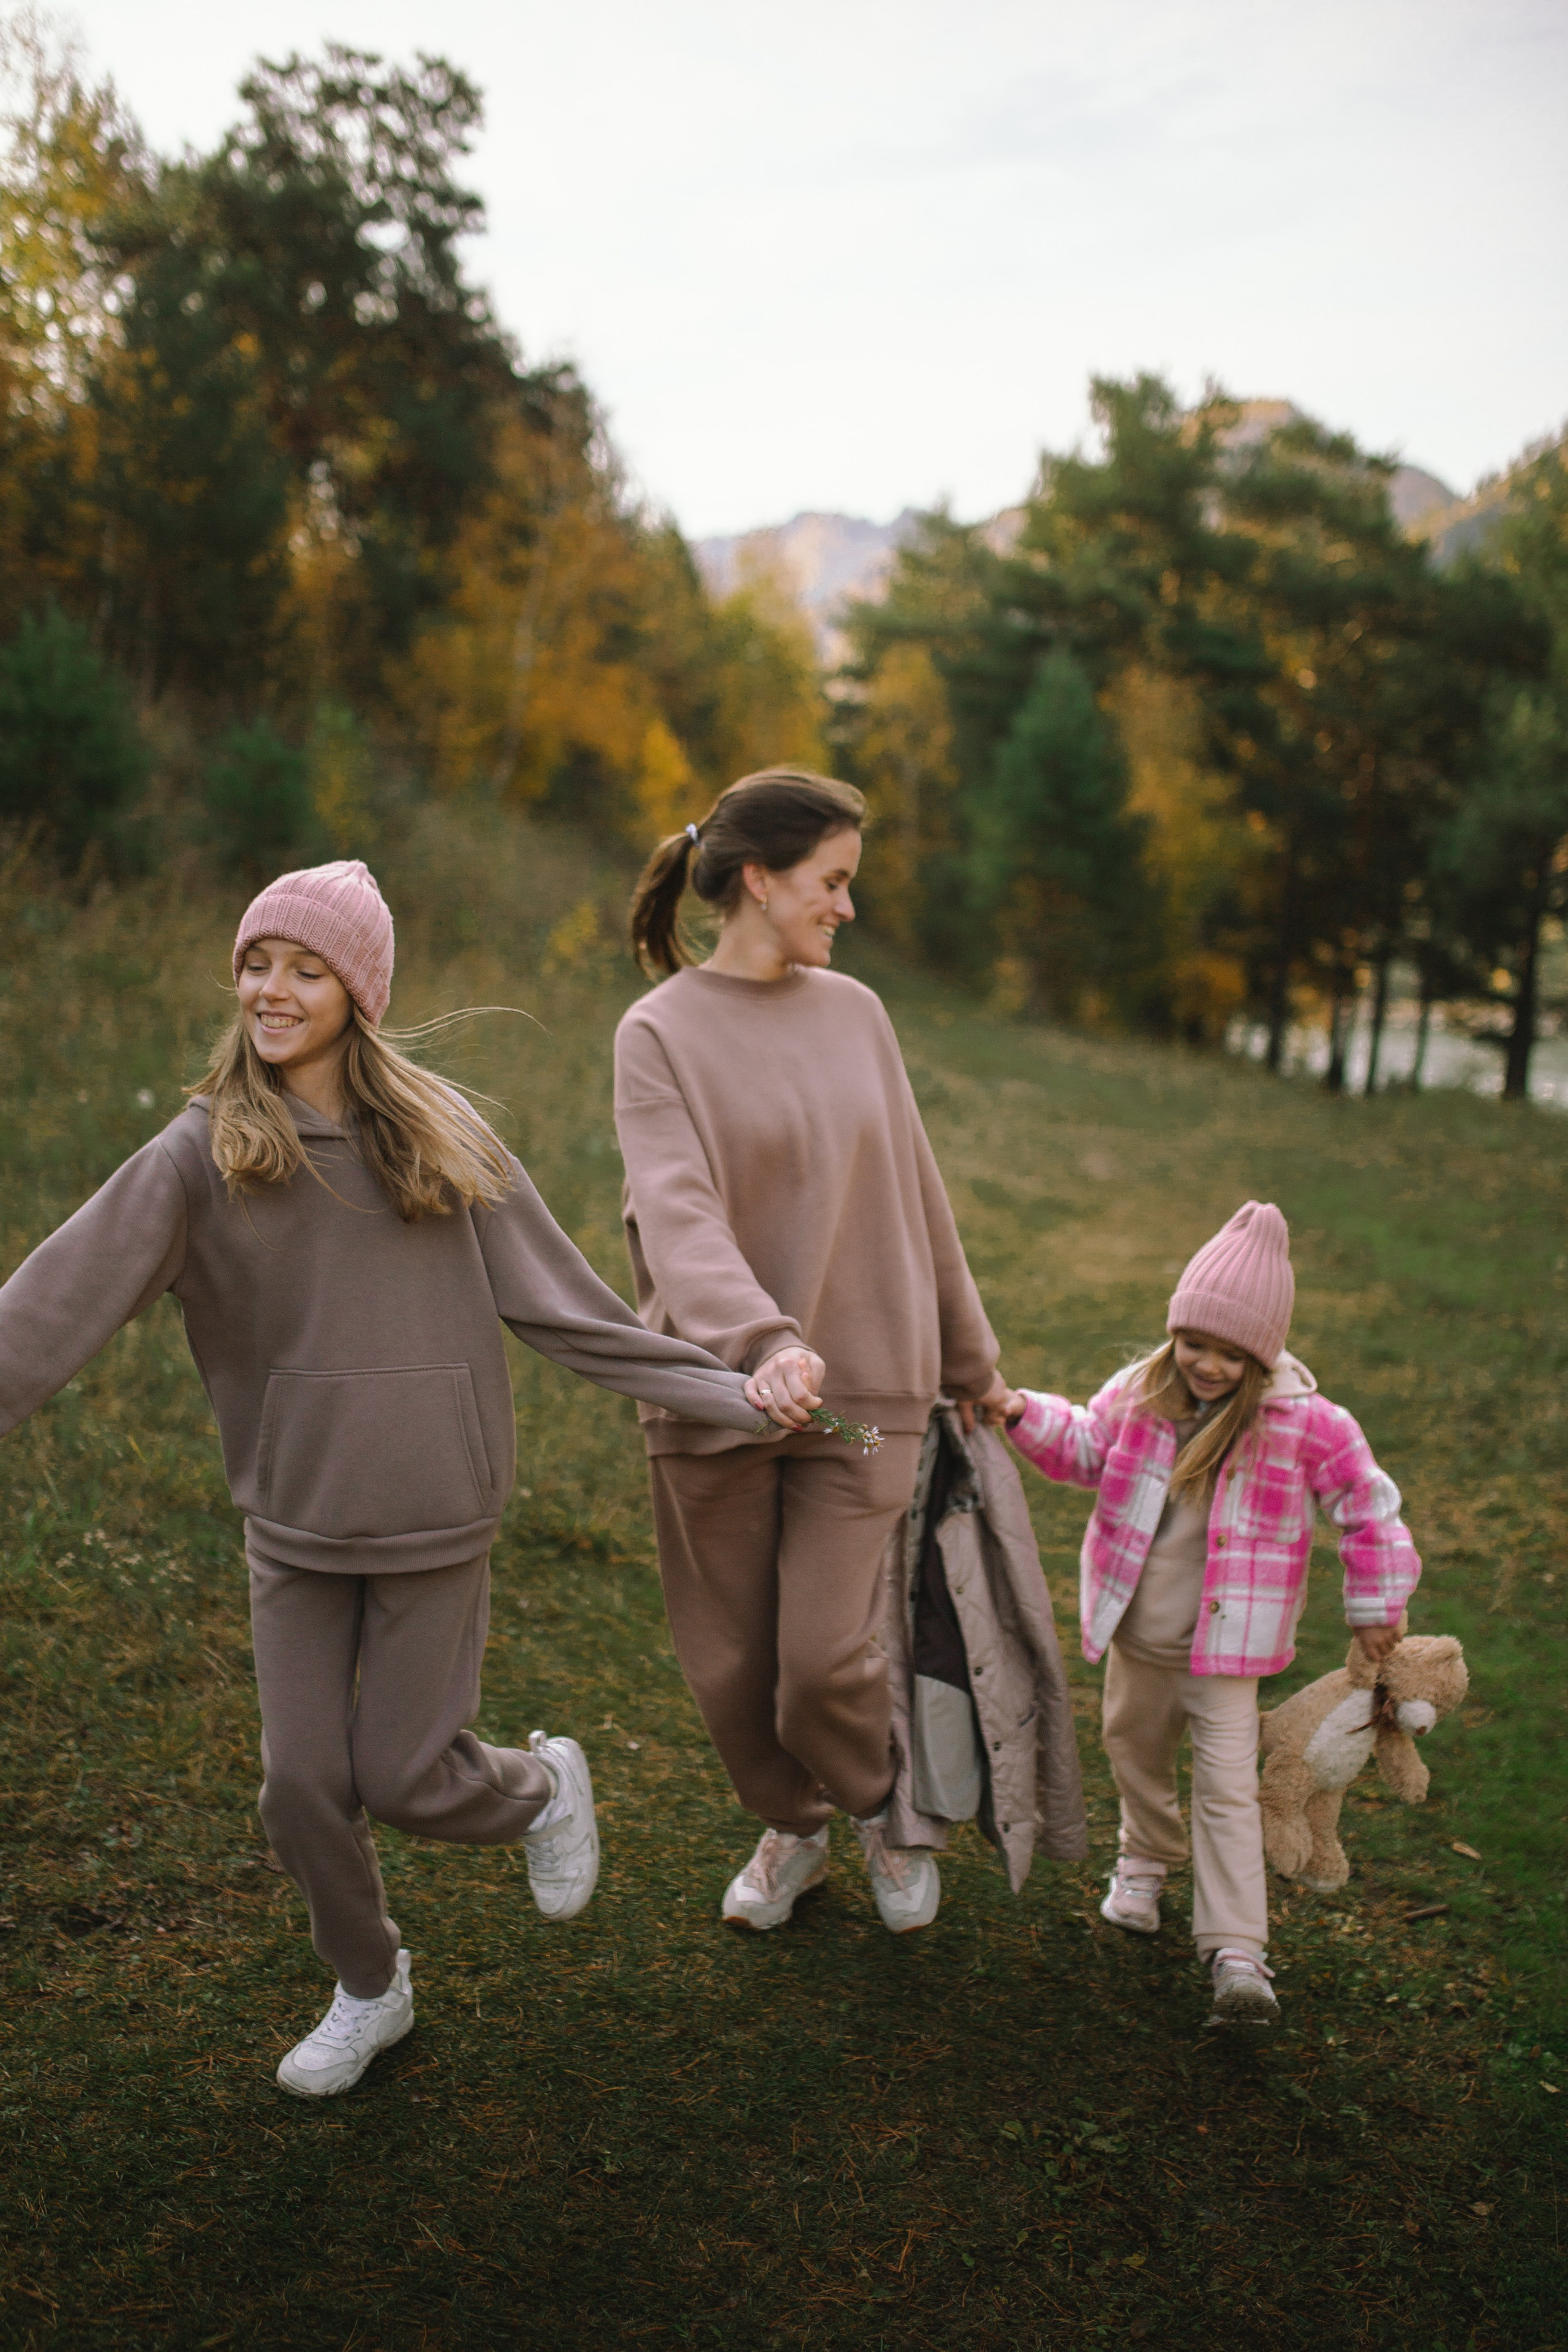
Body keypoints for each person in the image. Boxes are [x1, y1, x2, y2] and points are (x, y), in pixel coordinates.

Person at [0, 858, 792, 2098]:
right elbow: (50, 1308)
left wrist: (735, 1391)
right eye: (256, 964)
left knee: (409, 1777)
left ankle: (536, 1789)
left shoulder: (444, 1145)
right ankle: (371, 1985)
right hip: (295, 1517)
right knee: (303, 1789)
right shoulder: (202, 1155)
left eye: (304, 969)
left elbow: (574, 1316)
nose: (271, 990)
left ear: (355, 993)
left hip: (435, 1511)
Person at [615, 771, 1011, 1936]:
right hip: (719, 1397)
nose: (846, 908)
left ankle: (882, 1807)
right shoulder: (659, 1035)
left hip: (865, 1392)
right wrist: (761, 1343)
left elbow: (917, 1195)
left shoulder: (859, 1015)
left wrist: (971, 1359)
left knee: (822, 1663)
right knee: (732, 1671)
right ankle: (794, 1828)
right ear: (760, 880)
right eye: (832, 883)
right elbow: (677, 1217)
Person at [990, 1200, 1421, 2022]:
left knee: (1227, 1789)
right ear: (1174, 1334)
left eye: (1232, 1353)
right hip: (1140, 1639)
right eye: (1196, 1343)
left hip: (1229, 1654)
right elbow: (1084, 1446)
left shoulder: (1307, 1426)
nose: (1210, 1366)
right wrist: (1020, 1412)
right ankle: (1145, 1858)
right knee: (1135, 1755)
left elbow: (1370, 1509)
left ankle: (1238, 1951)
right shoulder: (1143, 1395)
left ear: (1263, 1354)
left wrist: (1376, 1604)